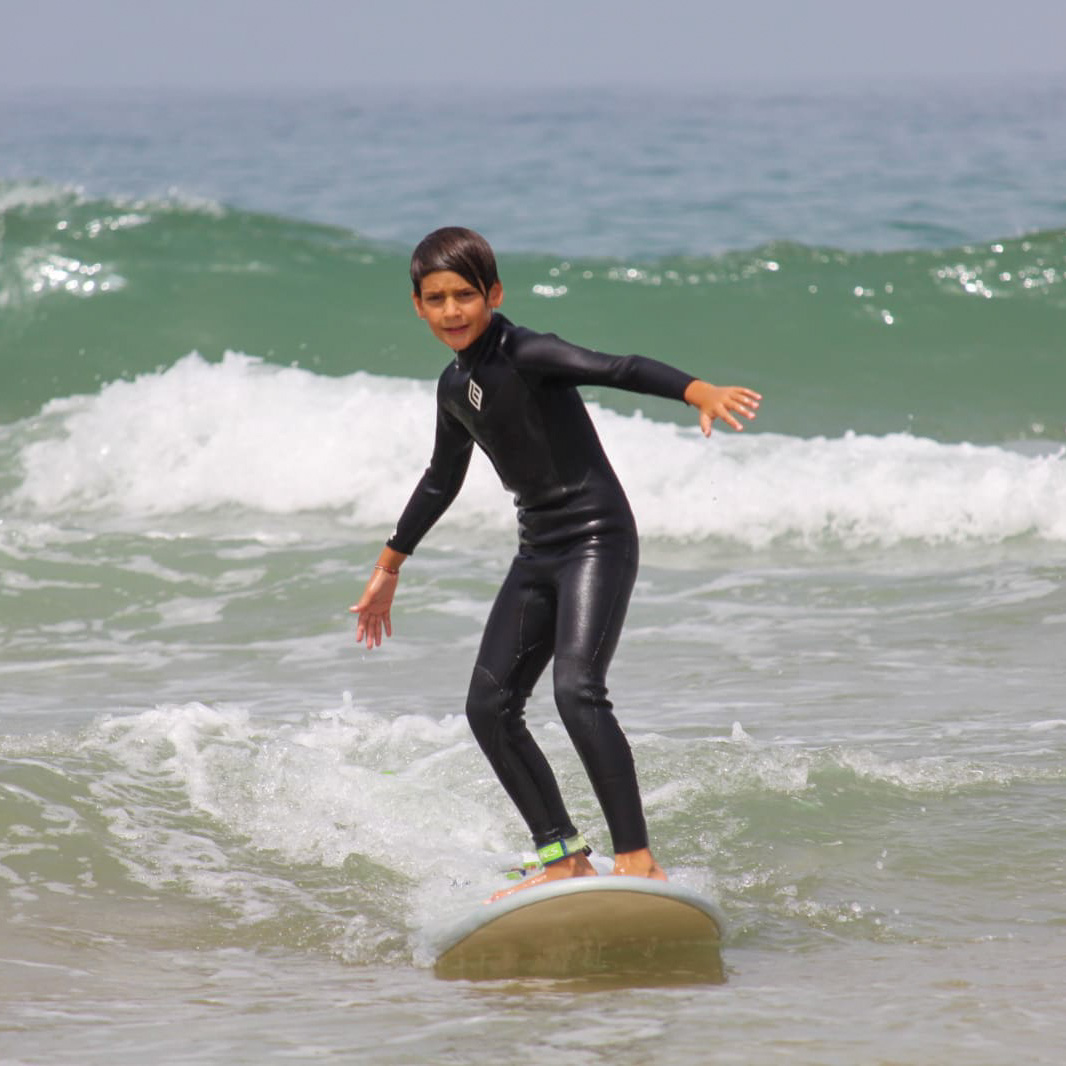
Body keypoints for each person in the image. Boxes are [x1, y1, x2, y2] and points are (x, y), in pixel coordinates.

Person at [351, 227, 760, 901]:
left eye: (464, 296)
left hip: (598, 537)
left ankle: (637, 859)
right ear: (417, 307)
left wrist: (697, 391)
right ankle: (562, 855)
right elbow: (439, 480)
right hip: (538, 549)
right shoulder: (455, 386)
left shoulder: (527, 352)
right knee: (489, 705)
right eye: (436, 299)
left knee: (576, 690)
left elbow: (617, 367)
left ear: (494, 294)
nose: (452, 311)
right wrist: (389, 566)